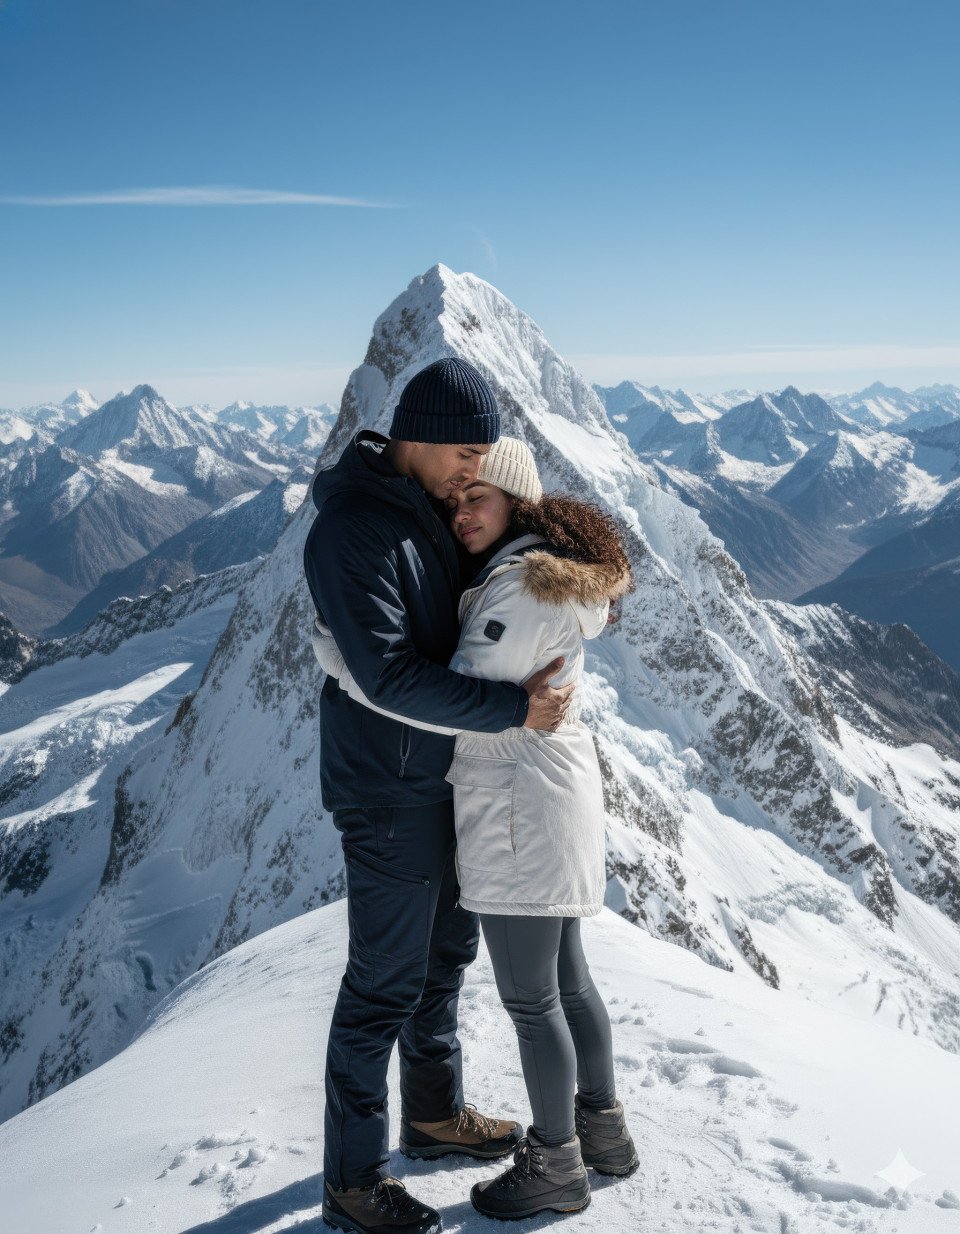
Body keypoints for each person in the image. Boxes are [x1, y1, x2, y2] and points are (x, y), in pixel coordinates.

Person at [312, 435, 639, 1223]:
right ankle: (602, 1134)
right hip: (552, 796)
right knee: (570, 981)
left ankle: (557, 1161)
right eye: (455, 500)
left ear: (518, 502)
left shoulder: (520, 590)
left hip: (521, 805)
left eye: (477, 497)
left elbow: (452, 693)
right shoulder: (535, 575)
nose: (461, 512)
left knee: (533, 999)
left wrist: (342, 656)